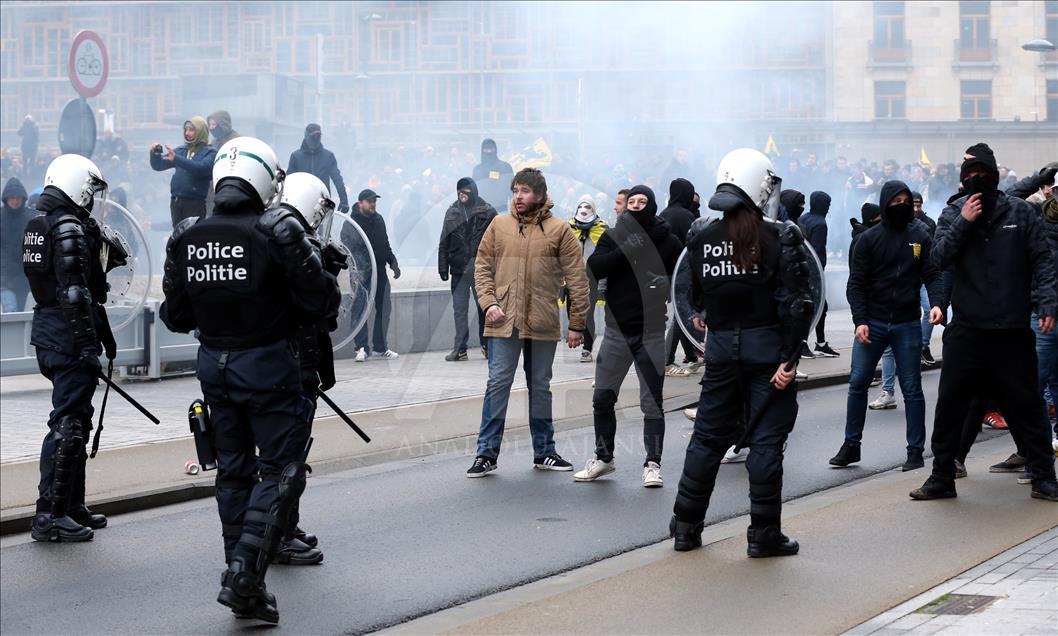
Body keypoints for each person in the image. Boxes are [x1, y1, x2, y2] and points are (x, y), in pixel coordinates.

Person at [160, 137, 340, 622]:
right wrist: (321, 271)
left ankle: (239, 575)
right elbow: (321, 305)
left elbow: (174, 316)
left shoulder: (186, 233)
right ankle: (244, 574)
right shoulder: (277, 227)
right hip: (267, 368)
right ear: (265, 178)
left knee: (234, 472)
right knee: (279, 470)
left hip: (213, 368)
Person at [669, 148, 814, 557]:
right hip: (768, 357)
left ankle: (685, 527)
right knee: (767, 443)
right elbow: (799, 305)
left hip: (719, 355)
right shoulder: (780, 236)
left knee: (707, 439)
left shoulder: (701, 237)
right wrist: (790, 361)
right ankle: (764, 534)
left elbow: (693, 298)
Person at [911, 143, 1058, 503]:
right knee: (950, 407)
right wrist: (965, 221)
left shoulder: (1021, 213)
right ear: (962, 183)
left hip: (1012, 330)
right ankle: (942, 475)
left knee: (1027, 407)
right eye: (970, 177)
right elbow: (938, 257)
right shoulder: (953, 213)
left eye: (984, 175)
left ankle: (1044, 477)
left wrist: (1047, 304)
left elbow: (1043, 260)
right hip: (968, 331)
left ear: (994, 178)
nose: (977, 181)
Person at [23, 154, 120, 542]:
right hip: (66, 336)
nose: (92, 199)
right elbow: (76, 293)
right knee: (67, 422)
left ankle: (72, 505)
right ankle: (49, 513)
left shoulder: (39, 224)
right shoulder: (67, 227)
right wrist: (86, 345)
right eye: (90, 190)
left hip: (49, 331)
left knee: (76, 419)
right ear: (78, 185)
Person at [467, 168, 589, 477]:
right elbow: (482, 267)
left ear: (540, 195)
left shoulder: (560, 230)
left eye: (524, 191)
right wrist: (488, 303)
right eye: (515, 191)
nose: (518, 196)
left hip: (542, 320)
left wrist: (577, 324)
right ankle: (486, 454)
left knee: (540, 387)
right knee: (497, 385)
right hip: (503, 320)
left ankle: (544, 452)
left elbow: (578, 279)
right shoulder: (499, 225)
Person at [830, 181, 944, 472]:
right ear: (884, 203)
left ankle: (915, 451)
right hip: (874, 323)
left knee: (912, 388)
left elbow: (932, 273)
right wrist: (860, 321)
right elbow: (856, 284)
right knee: (857, 384)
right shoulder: (869, 240)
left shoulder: (920, 236)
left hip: (907, 323)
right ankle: (851, 445)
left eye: (906, 200)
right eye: (896, 200)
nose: (902, 205)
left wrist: (937, 303)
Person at [574, 185, 681, 486]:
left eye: (642, 201)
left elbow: (686, 275)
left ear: (652, 205)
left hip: (651, 333)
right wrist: (627, 250)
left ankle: (653, 464)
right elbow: (594, 267)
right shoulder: (614, 235)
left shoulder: (667, 239)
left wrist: (667, 281)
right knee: (602, 398)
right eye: (631, 201)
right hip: (616, 332)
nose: (635, 205)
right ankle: (604, 459)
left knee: (651, 403)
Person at [273, 171, 344, 567]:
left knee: (291, 454)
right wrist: (328, 276)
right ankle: (277, 532)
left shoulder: (283, 240)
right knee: (286, 456)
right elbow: (317, 311)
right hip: (292, 363)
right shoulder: (291, 246)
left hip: (296, 360)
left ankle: (286, 523)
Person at [438, 177, 497, 361]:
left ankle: (487, 345)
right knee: (459, 310)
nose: (462, 194)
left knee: (485, 308)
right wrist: (442, 266)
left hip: (481, 270)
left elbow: (498, 242)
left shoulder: (488, 211)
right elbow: (444, 241)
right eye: (459, 190)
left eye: (465, 190)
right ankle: (460, 348)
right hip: (458, 269)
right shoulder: (452, 212)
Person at [349, 188, 400, 361]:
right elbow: (347, 244)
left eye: (374, 201)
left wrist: (393, 263)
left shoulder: (379, 220)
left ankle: (381, 345)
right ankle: (361, 347)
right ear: (360, 203)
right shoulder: (352, 222)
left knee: (384, 307)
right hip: (361, 274)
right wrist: (362, 263)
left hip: (380, 272)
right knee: (360, 309)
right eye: (370, 201)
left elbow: (384, 243)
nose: (373, 204)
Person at [659, 178, 701, 377]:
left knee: (681, 314)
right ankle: (666, 360)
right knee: (682, 315)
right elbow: (693, 247)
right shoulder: (687, 216)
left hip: (661, 272)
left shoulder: (662, 214)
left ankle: (693, 356)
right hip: (682, 274)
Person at [149, 117, 216, 228]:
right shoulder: (181, 150)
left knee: (192, 237)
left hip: (195, 203)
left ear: (201, 131)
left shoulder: (210, 152)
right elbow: (158, 165)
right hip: (176, 201)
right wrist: (155, 154)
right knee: (178, 236)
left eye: (191, 130)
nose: (187, 133)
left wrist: (177, 159)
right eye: (186, 130)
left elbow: (200, 169)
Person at [565, 195, 608, 362]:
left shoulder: (603, 228)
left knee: (587, 313)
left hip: (592, 278)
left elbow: (606, 256)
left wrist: (603, 282)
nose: (584, 210)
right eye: (581, 206)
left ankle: (587, 347)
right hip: (572, 277)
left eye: (588, 207)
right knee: (572, 312)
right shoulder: (568, 228)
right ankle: (580, 333)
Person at [798, 191, 838, 358]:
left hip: (801, 268)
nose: (828, 208)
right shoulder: (820, 224)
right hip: (812, 273)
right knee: (815, 307)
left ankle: (819, 343)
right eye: (827, 205)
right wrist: (818, 273)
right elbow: (817, 251)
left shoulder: (804, 218)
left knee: (818, 307)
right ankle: (804, 343)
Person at [287, 124, 350, 213]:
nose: (316, 139)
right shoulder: (296, 157)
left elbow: (337, 179)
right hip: (301, 202)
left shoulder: (328, 156)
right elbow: (289, 182)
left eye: (318, 136)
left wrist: (344, 201)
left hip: (323, 202)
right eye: (313, 136)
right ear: (307, 136)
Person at [1, 177, 33, 312]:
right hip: (4, 277)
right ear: (6, 198)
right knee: (11, 310)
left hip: (23, 278)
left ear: (23, 198)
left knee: (18, 312)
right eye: (11, 197)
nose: (15, 200)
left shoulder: (31, 217)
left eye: (17, 197)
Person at [471, 138, 514, 213]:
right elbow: (474, 191)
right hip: (482, 210)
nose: (488, 152)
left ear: (495, 150)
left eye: (491, 149)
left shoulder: (505, 167)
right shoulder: (477, 169)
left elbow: (512, 190)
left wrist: (513, 210)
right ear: (482, 150)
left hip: (501, 209)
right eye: (486, 149)